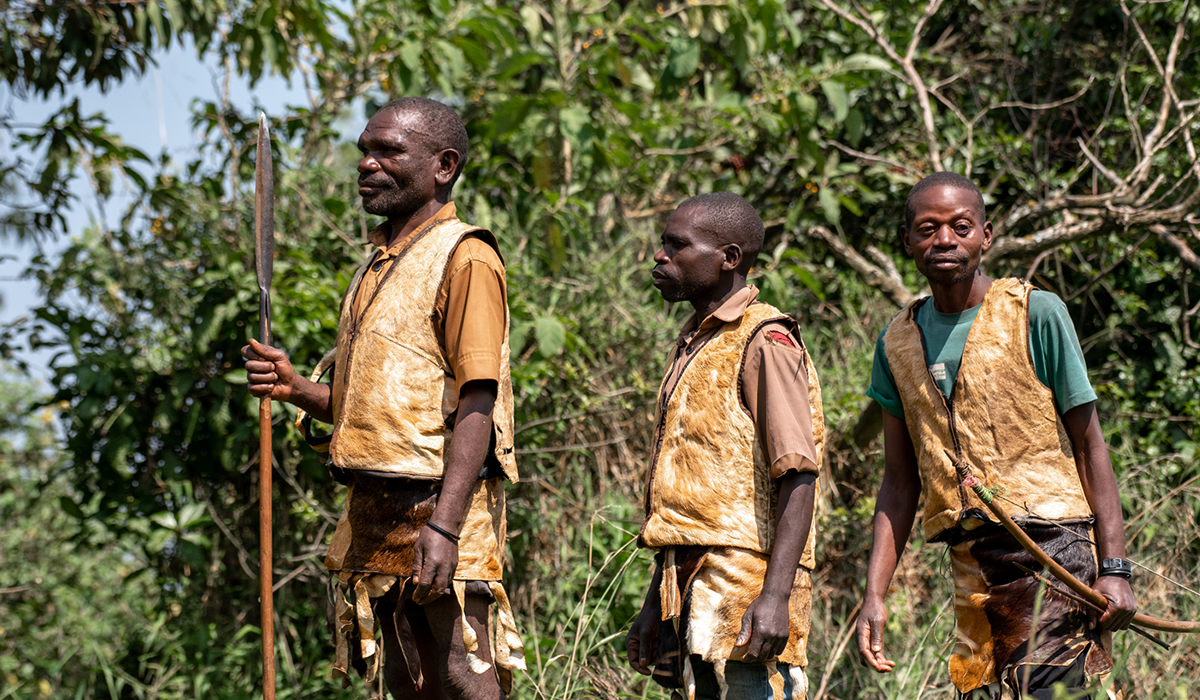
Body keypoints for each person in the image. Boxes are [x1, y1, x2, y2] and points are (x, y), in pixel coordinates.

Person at [241, 97, 523, 699]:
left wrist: (445, 526)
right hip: (374, 503)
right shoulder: (376, 265)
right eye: (364, 151)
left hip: (441, 501)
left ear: (444, 166)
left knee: (462, 670)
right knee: (407, 677)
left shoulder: (466, 256)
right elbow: (377, 408)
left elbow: (479, 403)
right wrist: (297, 389)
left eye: (389, 151)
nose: (367, 164)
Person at [856, 172, 1137, 699]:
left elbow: (1089, 446)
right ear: (907, 241)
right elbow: (898, 480)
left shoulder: (1035, 313)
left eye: (961, 227)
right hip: (971, 563)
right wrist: (875, 593)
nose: (944, 240)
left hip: (1053, 550)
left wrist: (1115, 569)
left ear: (985, 236)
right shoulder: (896, 341)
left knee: (1051, 690)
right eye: (927, 229)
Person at [625, 192, 824, 700]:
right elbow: (691, 506)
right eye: (663, 243)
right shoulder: (697, 340)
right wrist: (655, 604)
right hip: (689, 588)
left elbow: (799, 474)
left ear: (729, 258)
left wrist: (775, 597)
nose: (660, 256)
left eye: (677, 245)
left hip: (744, 595)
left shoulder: (765, 340)